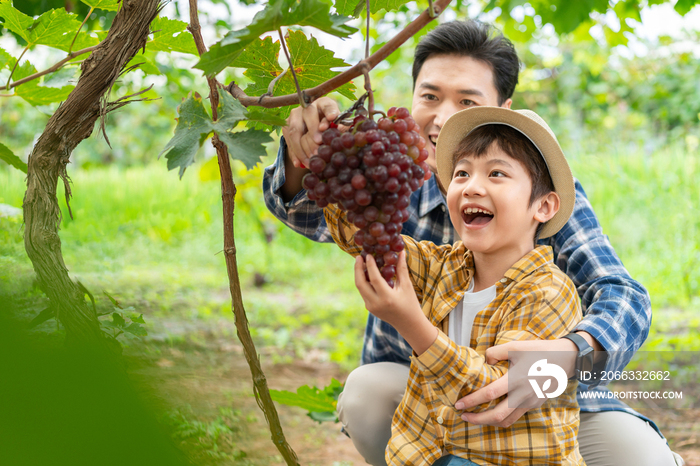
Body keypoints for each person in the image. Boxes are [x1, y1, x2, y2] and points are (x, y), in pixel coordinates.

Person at [262, 20, 683, 466]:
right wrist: (310, 156)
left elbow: (622, 295)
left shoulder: (543, 197)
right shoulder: (392, 180)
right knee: (366, 394)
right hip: (423, 392)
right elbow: (315, 215)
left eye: (466, 101)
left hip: (545, 403)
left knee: (642, 459)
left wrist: (572, 352)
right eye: (430, 96)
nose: (443, 117)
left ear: (503, 108)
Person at [325, 106, 584, 465]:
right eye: (462, 173)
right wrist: (337, 155)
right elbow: (367, 236)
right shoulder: (441, 266)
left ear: (543, 206)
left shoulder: (549, 293)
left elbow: (495, 396)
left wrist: (412, 325)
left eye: (496, 173)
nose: (472, 186)